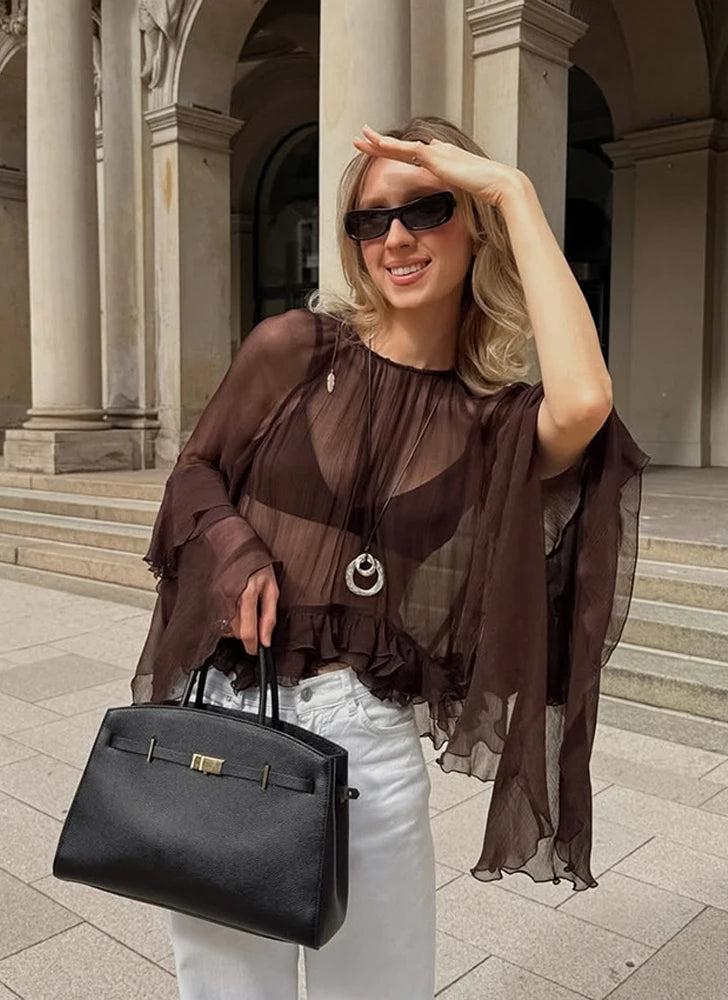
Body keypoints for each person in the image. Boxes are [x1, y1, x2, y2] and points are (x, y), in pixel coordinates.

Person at [131, 115, 649, 999]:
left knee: (379, 988)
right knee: (224, 988)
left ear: (474, 224)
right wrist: (235, 547)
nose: (396, 238)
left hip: (363, 738)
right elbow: (196, 472)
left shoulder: (493, 424)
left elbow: (587, 399)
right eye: (371, 221)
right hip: (227, 709)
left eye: (426, 209)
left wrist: (514, 190)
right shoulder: (293, 349)